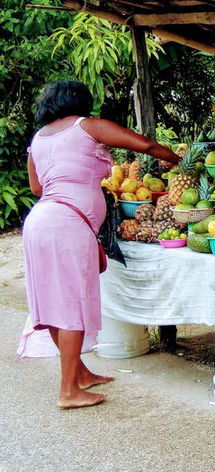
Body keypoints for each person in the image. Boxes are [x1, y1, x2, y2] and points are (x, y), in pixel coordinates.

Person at [24, 80, 180, 409]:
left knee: (54, 303)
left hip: (40, 222)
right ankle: (68, 391)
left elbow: (38, 187)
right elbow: (146, 146)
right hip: (67, 224)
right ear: (81, 102)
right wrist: (177, 159)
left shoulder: (38, 139)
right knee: (70, 305)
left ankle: (79, 374)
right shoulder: (88, 126)